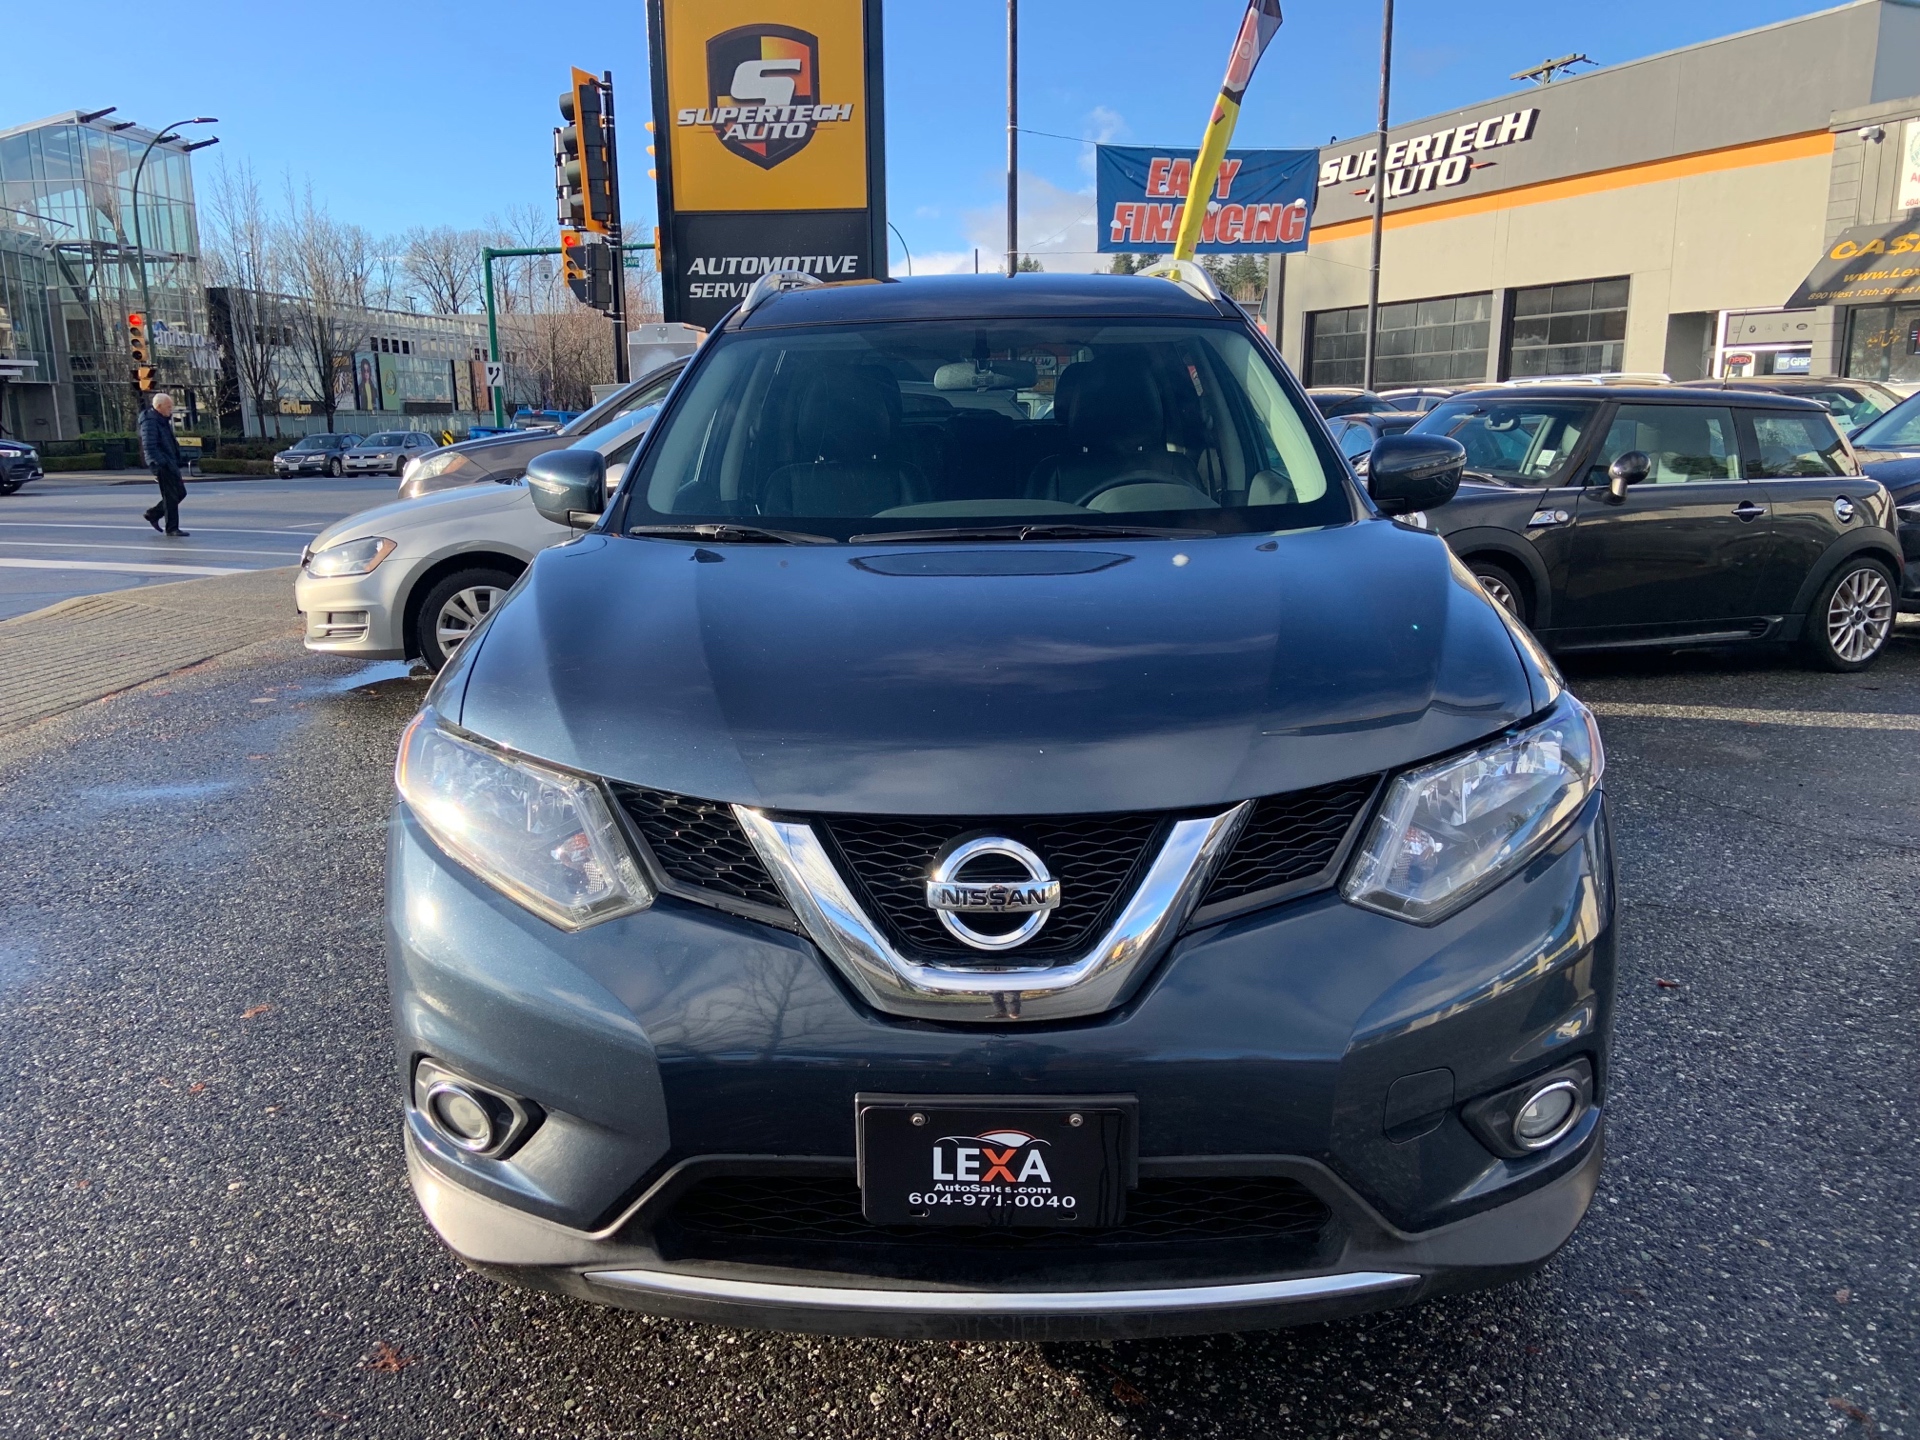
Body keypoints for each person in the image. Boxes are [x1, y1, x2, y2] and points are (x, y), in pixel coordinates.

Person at [139, 393, 188, 537]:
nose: (171, 409)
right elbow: (149, 445)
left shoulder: (161, 420)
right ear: (159, 406)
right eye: (168, 407)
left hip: (169, 462)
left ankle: (153, 514)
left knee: (180, 493)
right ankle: (171, 528)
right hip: (162, 464)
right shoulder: (150, 421)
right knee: (171, 495)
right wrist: (161, 462)